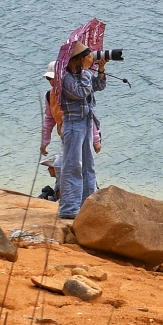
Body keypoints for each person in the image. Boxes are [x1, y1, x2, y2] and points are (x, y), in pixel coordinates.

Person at [53, 46, 107, 218]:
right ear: (77, 58)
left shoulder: (82, 73)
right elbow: (81, 91)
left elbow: (99, 86)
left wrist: (101, 69)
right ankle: (69, 209)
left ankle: (87, 204)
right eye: (86, 56)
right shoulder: (65, 77)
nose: (90, 58)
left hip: (86, 122)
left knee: (88, 166)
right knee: (73, 167)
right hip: (74, 124)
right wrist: (85, 71)